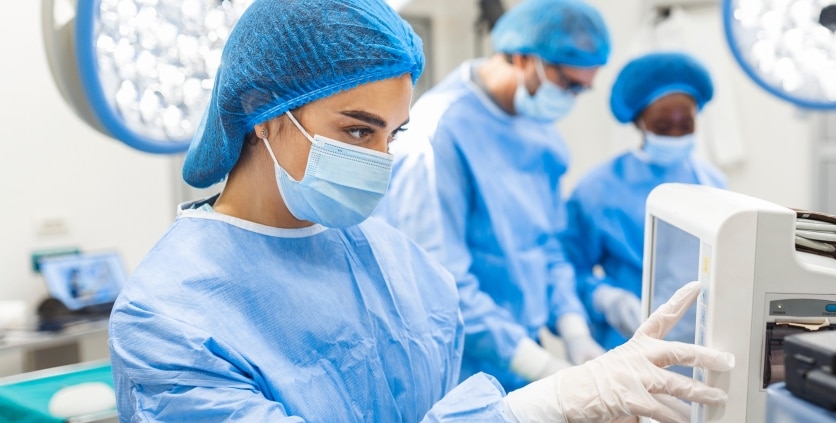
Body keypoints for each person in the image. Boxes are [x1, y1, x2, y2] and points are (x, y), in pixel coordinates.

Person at [106, 0, 734, 421]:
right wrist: (531, 404)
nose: (381, 158)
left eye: (393, 134)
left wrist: (571, 341)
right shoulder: (168, 320)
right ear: (266, 113)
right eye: (357, 132)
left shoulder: (402, 268)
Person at [374, 0, 609, 390]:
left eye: (582, 90)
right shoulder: (439, 133)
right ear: (521, 58)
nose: (570, 98)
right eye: (567, 83)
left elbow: (547, 245)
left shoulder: (541, 133)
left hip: (520, 350)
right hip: (456, 363)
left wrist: (575, 331)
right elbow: (441, 283)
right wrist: (543, 367)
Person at [561, 52, 725, 350]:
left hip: (700, 344)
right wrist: (606, 298)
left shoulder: (712, 182)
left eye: (686, 125)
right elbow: (567, 268)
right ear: (639, 122)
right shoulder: (599, 188)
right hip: (628, 342)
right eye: (663, 127)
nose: (676, 133)